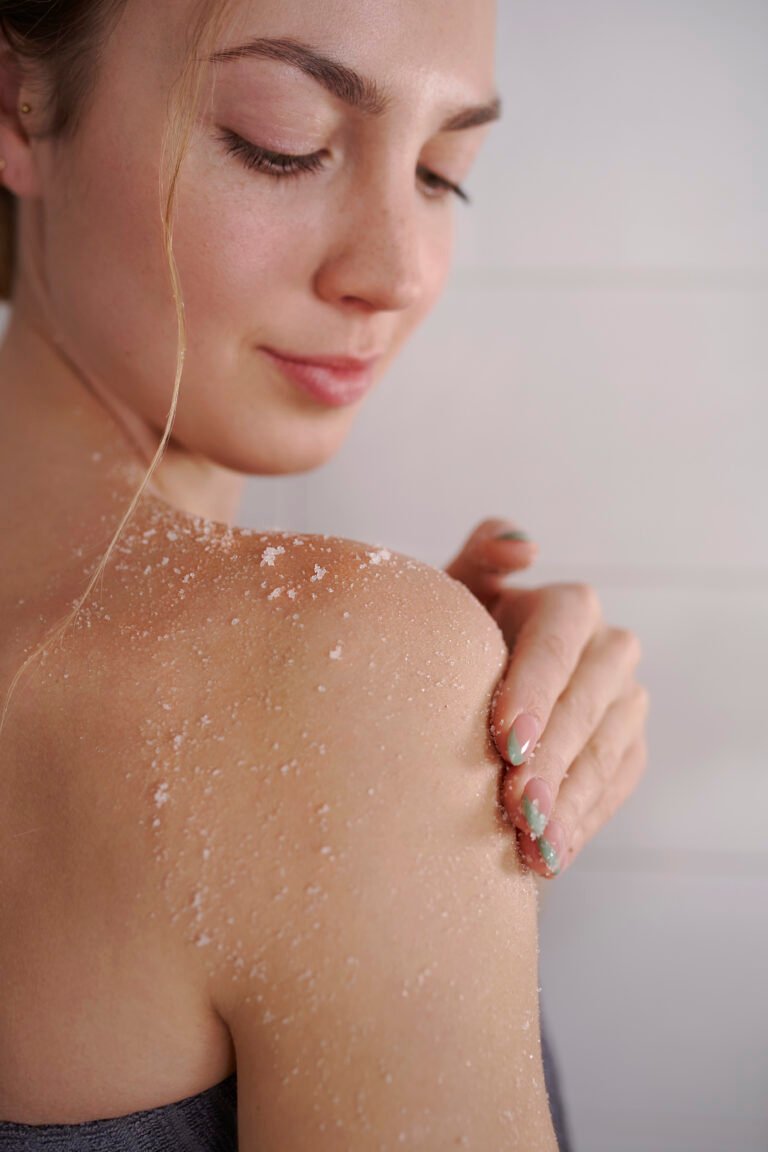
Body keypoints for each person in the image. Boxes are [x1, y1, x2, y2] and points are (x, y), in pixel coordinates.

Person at [0, 1, 648, 1147]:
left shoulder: (326, 680)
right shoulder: (346, 679)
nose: (396, 270)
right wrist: (380, 705)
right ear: (17, 102)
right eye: (281, 141)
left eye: (446, 172)